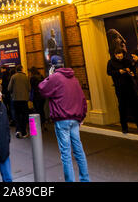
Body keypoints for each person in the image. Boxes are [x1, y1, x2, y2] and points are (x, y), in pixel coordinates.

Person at [39, 55, 90, 183]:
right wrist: (82, 116)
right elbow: (82, 99)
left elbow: (42, 89)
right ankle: (85, 179)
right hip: (75, 120)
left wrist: (49, 76)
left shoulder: (55, 78)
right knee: (79, 151)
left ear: (53, 66)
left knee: (66, 154)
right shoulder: (74, 78)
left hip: (62, 120)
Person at [107, 47, 138, 134]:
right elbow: (109, 72)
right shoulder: (111, 62)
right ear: (115, 55)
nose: (120, 56)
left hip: (130, 86)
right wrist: (118, 72)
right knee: (122, 107)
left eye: (121, 55)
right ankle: (124, 127)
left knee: (135, 107)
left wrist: (130, 71)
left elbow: (133, 70)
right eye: (118, 55)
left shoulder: (127, 61)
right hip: (119, 87)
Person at [7, 64, 30, 138]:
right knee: (24, 116)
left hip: (15, 99)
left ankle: (18, 130)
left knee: (16, 116)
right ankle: (24, 131)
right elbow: (29, 88)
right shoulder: (26, 77)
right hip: (24, 100)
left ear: (16, 70)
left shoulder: (13, 77)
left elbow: (9, 88)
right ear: (22, 69)